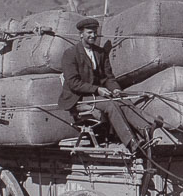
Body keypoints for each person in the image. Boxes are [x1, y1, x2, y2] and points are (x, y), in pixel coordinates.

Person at [57, 17, 150, 153]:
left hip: (96, 95)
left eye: (95, 32)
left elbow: (108, 77)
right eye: (89, 32)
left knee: (121, 100)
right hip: (77, 98)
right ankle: (131, 142)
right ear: (81, 34)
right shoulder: (70, 54)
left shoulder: (100, 53)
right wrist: (97, 89)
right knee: (110, 105)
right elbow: (73, 83)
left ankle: (146, 130)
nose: (93, 35)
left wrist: (116, 89)